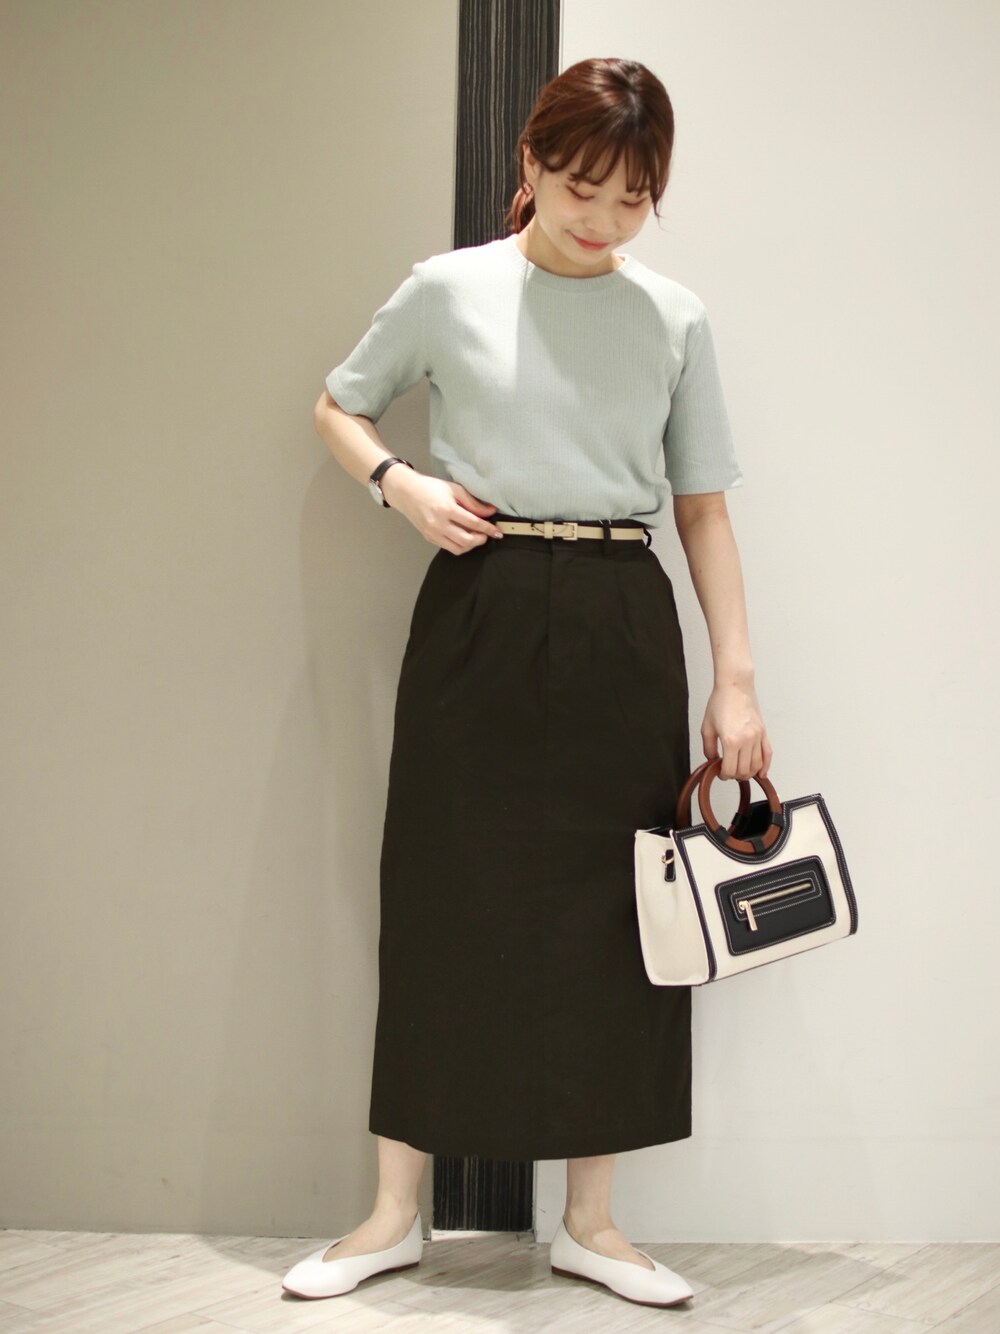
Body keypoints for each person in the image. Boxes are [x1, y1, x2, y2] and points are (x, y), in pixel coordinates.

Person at [282, 56, 771, 1310]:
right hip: (481, 602)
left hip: (619, 613)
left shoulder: (673, 318)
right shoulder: (448, 288)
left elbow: (702, 509)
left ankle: (590, 1222)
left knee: (618, 913)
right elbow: (338, 406)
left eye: (632, 198)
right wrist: (400, 485)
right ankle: (394, 1212)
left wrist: (735, 679)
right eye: (579, 186)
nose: (601, 219)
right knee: (439, 893)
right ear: (531, 162)